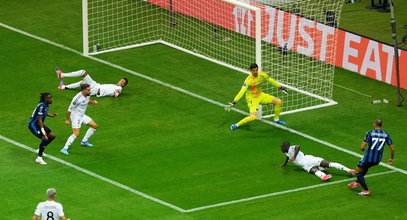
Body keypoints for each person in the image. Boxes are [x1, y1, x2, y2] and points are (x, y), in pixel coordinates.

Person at [224, 63, 289, 130]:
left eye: (256, 70)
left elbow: (271, 81)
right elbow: (242, 91)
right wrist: (234, 101)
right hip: (252, 99)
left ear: (258, 69)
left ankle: (276, 119)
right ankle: (236, 125)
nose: (255, 72)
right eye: (253, 70)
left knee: (278, 102)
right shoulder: (248, 80)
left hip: (260, 95)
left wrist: (281, 87)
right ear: (250, 71)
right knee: (253, 117)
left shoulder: (263, 75)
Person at [348, 119, 395, 196]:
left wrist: (362, 148)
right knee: (365, 167)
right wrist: (391, 158)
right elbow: (392, 148)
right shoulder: (386, 134)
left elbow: (362, 147)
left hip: (368, 158)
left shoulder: (370, 133)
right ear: (381, 125)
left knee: (357, 172)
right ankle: (357, 182)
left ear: (374, 124)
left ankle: (366, 190)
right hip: (377, 160)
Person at [278, 141, 355, 181]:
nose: (281, 149)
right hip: (305, 166)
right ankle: (324, 176)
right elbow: (287, 157)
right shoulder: (286, 152)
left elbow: (298, 146)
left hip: (309, 159)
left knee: (329, 164)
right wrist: (284, 164)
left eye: (282, 147)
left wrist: (294, 157)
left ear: (286, 147)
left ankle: (349, 170)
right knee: (314, 171)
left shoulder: (291, 148)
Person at [60, 84, 98, 155]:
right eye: (88, 90)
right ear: (83, 90)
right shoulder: (76, 99)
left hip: (82, 115)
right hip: (75, 116)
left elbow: (87, 101)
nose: (90, 91)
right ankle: (64, 148)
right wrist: (67, 119)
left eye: (90, 89)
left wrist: (93, 102)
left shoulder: (87, 94)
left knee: (94, 126)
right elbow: (69, 110)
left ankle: (84, 141)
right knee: (76, 133)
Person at [56, 67, 128, 97]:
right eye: (121, 80)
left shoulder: (119, 88)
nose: (121, 82)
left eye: (123, 82)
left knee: (82, 72)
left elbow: (117, 92)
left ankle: (61, 75)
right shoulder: (115, 85)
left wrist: (116, 93)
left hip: (96, 89)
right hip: (95, 86)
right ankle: (63, 87)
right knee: (82, 82)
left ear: (123, 85)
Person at [28, 93, 58, 165]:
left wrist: (51, 115)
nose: (52, 99)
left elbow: (45, 113)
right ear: (46, 99)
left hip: (39, 124)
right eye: (50, 98)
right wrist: (43, 130)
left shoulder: (46, 104)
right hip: (34, 125)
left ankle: (40, 150)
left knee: (52, 136)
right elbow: (39, 119)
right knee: (45, 139)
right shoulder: (41, 106)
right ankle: (39, 158)